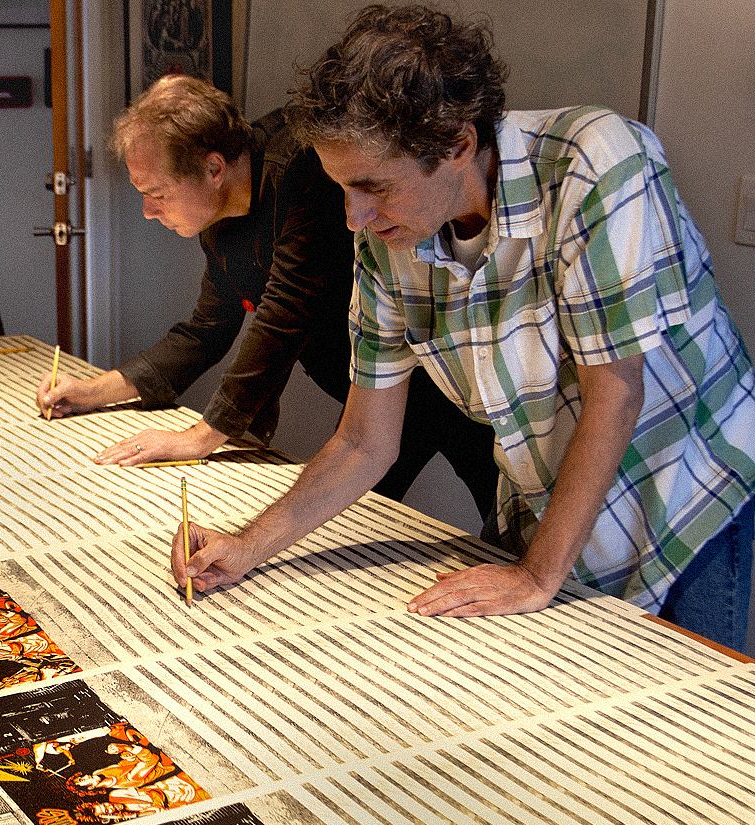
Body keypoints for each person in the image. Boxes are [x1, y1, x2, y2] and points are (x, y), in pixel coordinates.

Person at [171, 4, 755, 651]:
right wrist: (250, 543)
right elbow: (365, 440)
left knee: (676, 720)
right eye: (343, 189)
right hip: (551, 502)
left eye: (374, 187)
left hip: (685, 498)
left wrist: (536, 576)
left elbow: (616, 395)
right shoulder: (385, 243)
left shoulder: (594, 163)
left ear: (458, 145)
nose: (354, 217)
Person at [36, 74, 497, 518]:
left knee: (517, 528)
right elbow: (206, 330)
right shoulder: (219, 221)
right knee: (341, 524)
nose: (148, 211)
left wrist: (203, 434)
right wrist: (93, 392)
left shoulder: (298, 168)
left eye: (156, 193)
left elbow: (286, 309)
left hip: (451, 380)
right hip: (380, 392)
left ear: (214, 168)